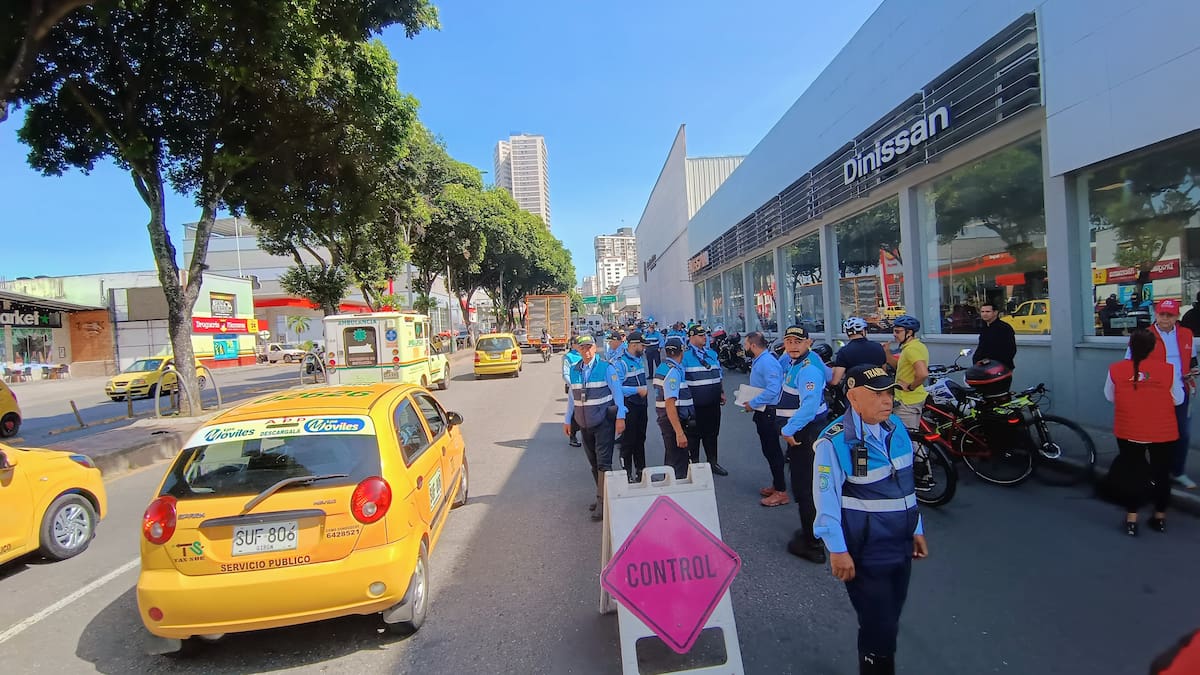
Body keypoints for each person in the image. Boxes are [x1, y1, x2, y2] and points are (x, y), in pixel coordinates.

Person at [813, 364, 929, 675]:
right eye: (877, 394)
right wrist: (837, 549)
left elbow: (907, 483)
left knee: (890, 616)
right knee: (879, 626)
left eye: (889, 392)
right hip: (867, 550)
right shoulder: (835, 441)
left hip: (900, 543)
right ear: (853, 396)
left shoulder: (896, 428)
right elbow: (826, 501)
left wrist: (916, 527)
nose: (887, 400)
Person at [1104, 328, 1181, 536]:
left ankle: (1131, 520)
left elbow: (1110, 396)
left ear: (1130, 347)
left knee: (1133, 473)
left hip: (1129, 429)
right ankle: (1160, 517)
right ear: (1153, 348)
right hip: (1162, 431)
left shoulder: (1115, 369)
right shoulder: (1169, 370)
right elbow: (1178, 399)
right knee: (1161, 473)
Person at [1131, 298, 1197, 489]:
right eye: (1162, 314)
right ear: (1156, 314)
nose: (1165, 319)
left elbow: (1192, 360)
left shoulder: (1186, 334)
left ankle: (1178, 472)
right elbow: (1130, 364)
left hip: (1181, 391)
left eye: (1170, 315)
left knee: (1182, 434)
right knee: (1155, 435)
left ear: (1177, 316)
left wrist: (1191, 373)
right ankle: (1156, 473)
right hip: (1153, 392)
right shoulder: (1143, 335)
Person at [778, 325, 830, 561]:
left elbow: (808, 407)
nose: (793, 346)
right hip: (805, 431)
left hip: (804, 433)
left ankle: (813, 545)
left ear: (809, 342)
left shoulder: (808, 369)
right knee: (807, 486)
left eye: (798, 341)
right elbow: (830, 376)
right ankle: (812, 531)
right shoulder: (801, 361)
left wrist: (788, 430)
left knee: (804, 488)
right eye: (789, 341)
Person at [564, 334, 627, 520]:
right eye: (583, 348)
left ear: (595, 348)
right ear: (578, 350)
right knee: (593, 464)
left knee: (603, 463)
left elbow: (618, 394)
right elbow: (571, 398)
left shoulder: (606, 368)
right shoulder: (575, 370)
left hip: (603, 422)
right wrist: (568, 420)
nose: (587, 351)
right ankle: (604, 496)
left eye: (590, 347)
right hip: (584, 423)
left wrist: (621, 417)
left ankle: (603, 503)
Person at [742, 331, 786, 505]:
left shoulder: (767, 362)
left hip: (769, 411)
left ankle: (781, 492)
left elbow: (773, 390)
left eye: (746, 345)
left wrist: (754, 403)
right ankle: (777, 485)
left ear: (753, 345)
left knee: (773, 451)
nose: (744, 348)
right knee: (769, 450)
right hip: (763, 410)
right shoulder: (760, 360)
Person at [683, 324, 728, 476]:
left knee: (712, 434)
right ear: (691, 337)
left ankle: (713, 462)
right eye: (701, 335)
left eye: (705, 335)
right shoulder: (685, 357)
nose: (705, 338)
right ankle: (694, 465)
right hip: (695, 405)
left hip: (713, 402)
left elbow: (718, 374)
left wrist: (721, 392)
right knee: (694, 436)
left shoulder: (711, 354)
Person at [654, 336, 700, 479]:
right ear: (682, 351)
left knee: (672, 457)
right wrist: (679, 432)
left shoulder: (663, 367)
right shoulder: (672, 372)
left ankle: (669, 485)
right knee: (678, 460)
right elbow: (670, 403)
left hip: (668, 419)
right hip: (674, 420)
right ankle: (676, 490)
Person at [614, 331, 649, 483]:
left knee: (640, 439)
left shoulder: (639, 359)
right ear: (633, 345)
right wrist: (636, 390)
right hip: (629, 405)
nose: (644, 348)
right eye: (642, 345)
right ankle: (626, 473)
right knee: (628, 441)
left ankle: (641, 471)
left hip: (641, 405)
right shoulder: (620, 363)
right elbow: (616, 388)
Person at [886, 315, 928, 433]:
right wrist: (887, 354)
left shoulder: (911, 350)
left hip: (907, 401)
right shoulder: (915, 346)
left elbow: (923, 373)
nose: (894, 334)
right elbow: (900, 367)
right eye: (894, 331)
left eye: (898, 331)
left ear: (909, 332)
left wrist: (910, 387)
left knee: (908, 439)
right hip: (912, 398)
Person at [831, 317, 887, 387]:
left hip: (856, 392)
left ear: (848, 333)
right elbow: (884, 371)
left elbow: (835, 381)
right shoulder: (878, 347)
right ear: (863, 331)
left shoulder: (844, 351)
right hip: (877, 389)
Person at [973, 302, 1017, 370]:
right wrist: (976, 361)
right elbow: (981, 347)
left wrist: (997, 364)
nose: (984, 314)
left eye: (988, 311)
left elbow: (1010, 350)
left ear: (995, 312)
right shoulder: (984, 328)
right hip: (983, 367)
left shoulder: (1004, 328)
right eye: (982, 311)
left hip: (1001, 368)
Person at [561, 342, 583, 447]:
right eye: (578, 344)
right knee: (575, 411)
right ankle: (572, 436)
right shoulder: (569, 357)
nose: (581, 346)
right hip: (575, 388)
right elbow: (565, 373)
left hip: (588, 387)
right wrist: (574, 385)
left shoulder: (585, 354)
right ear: (573, 345)